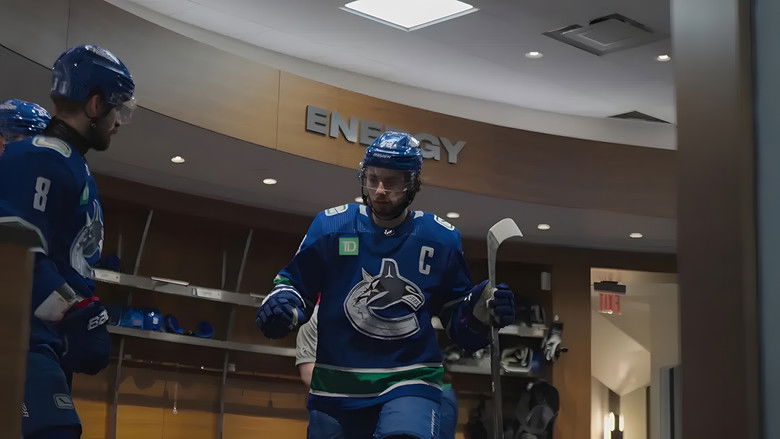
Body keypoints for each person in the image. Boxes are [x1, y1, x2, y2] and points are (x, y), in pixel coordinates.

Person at [257, 131, 517, 439]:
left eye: (391, 182)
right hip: (336, 386)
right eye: (373, 179)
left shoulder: (440, 238)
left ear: (412, 183)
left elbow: (457, 322)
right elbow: (295, 284)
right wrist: (282, 304)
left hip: (410, 379)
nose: (380, 190)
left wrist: (480, 310)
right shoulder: (331, 227)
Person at [0, 44, 136, 439]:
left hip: (45, 342)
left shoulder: (68, 162)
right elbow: (16, 248)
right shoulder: (41, 157)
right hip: (22, 339)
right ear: (95, 104)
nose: (119, 121)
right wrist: (74, 311)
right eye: (119, 108)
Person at [295, 306, 459, 439]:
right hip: (346, 399)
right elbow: (309, 374)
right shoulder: (315, 321)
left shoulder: (398, 308)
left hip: (416, 391)